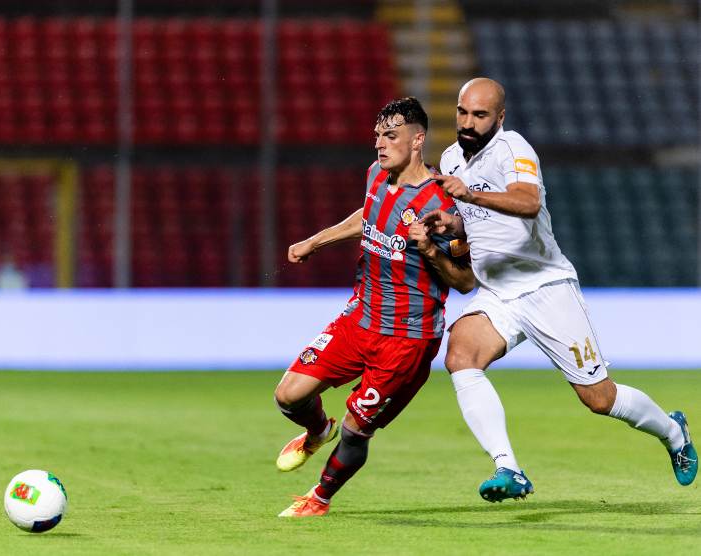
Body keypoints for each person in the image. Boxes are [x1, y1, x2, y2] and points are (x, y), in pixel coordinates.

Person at [419, 77, 697, 502]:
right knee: (460, 356)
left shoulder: (514, 150)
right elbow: (474, 219)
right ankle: (507, 467)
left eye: (480, 115)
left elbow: (527, 202)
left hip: (546, 288)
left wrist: (471, 194)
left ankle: (673, 431)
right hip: (497, 292)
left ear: (500, 117)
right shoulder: (452, 157)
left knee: (600, 398)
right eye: (463, 112)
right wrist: (450, 222)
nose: (469, 123)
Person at [274, 97, 475, 517]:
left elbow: (466, 281)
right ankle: (316, 430)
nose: (380, 144)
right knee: (288, 396)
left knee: (356, 431)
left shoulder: (440, 205)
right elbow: (366, 215)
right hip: (359, 318)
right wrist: (315, 241)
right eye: (377, 136)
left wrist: (432, 252)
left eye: (391, 135)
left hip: (406, 340)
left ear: (418, 140)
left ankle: (320, 498)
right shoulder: (376, 175)